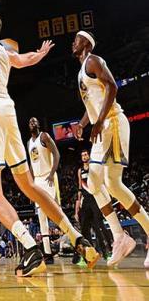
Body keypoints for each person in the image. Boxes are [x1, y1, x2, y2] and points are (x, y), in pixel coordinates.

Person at [0, 0, 99, 277]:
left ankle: (30, 247)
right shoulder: (4, 52)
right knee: (29, 185)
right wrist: (41, 53)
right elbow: (25, 60)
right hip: (7, 109)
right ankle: (77, 237)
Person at [73, 30, 149, 268]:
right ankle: (121, 236)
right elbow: (93, 103)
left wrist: (98, 121)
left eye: (77, 39)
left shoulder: (93, 60)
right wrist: (83, 123)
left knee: (100, 181)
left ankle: (121, 235)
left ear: (86, 44)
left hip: (112, 122)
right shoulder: (82, 70)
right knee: (105, 184)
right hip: (102, 125)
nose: (73, 43)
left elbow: (112, 87)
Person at [27, 117, 61, 264]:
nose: (33, 123)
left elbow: (57, 154)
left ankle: (74, 242)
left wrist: (52, 173)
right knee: (41, 217)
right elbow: (31, 165)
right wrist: (30, 185)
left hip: (48, 177)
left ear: (38, 124)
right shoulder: (29, 143)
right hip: (37, 180)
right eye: (30, 122)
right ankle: (48, 253)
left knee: (56, 213)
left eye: (35, 121)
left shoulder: (44, 136)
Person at [74, 149, 112, 262]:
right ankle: (88, 256)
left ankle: (106, 252)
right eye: (82, 155)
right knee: (84, 228)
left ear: (89, 155)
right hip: (85, 201)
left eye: (86, 154)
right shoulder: (80, 171)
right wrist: (77, 208)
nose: (84, 156)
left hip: (95, 198)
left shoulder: (93, 167)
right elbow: (80, 188)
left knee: (98, 226)